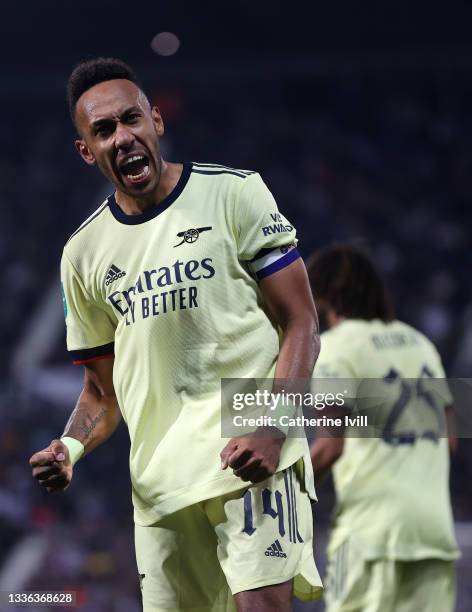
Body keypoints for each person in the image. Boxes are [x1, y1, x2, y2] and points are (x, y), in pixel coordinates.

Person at [28, 57, 322, 611]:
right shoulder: (82, 256)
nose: (123, 137)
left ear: (156, 121)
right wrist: (68, 447)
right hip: (160, 485)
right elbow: (101, 393)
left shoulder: (234, 194)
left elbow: (301, 321)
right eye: (104, 130)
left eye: (131, 119)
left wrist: (272, 428)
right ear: (85, 151)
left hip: (250, 451)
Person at [307, 244, 460, 612]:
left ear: (324, 292)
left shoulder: (333, 348)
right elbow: (450, 440)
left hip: (369, 533)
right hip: (434, 531)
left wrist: (283, 493)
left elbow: (331, 446)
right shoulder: (420, 344)